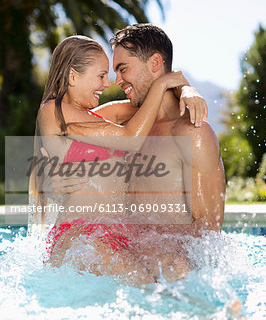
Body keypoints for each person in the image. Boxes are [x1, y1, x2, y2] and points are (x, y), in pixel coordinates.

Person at [30, 35, 208, 283]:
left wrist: (186, 88)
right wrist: (162, 84)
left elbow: (158, 106)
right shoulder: (53, 111)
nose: (107, 84)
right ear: (72, 77)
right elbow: (130, 137)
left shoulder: (98, 116)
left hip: (116, 233)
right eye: (101, 75)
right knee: (142, 283)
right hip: (81, 234)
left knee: (174, 272)